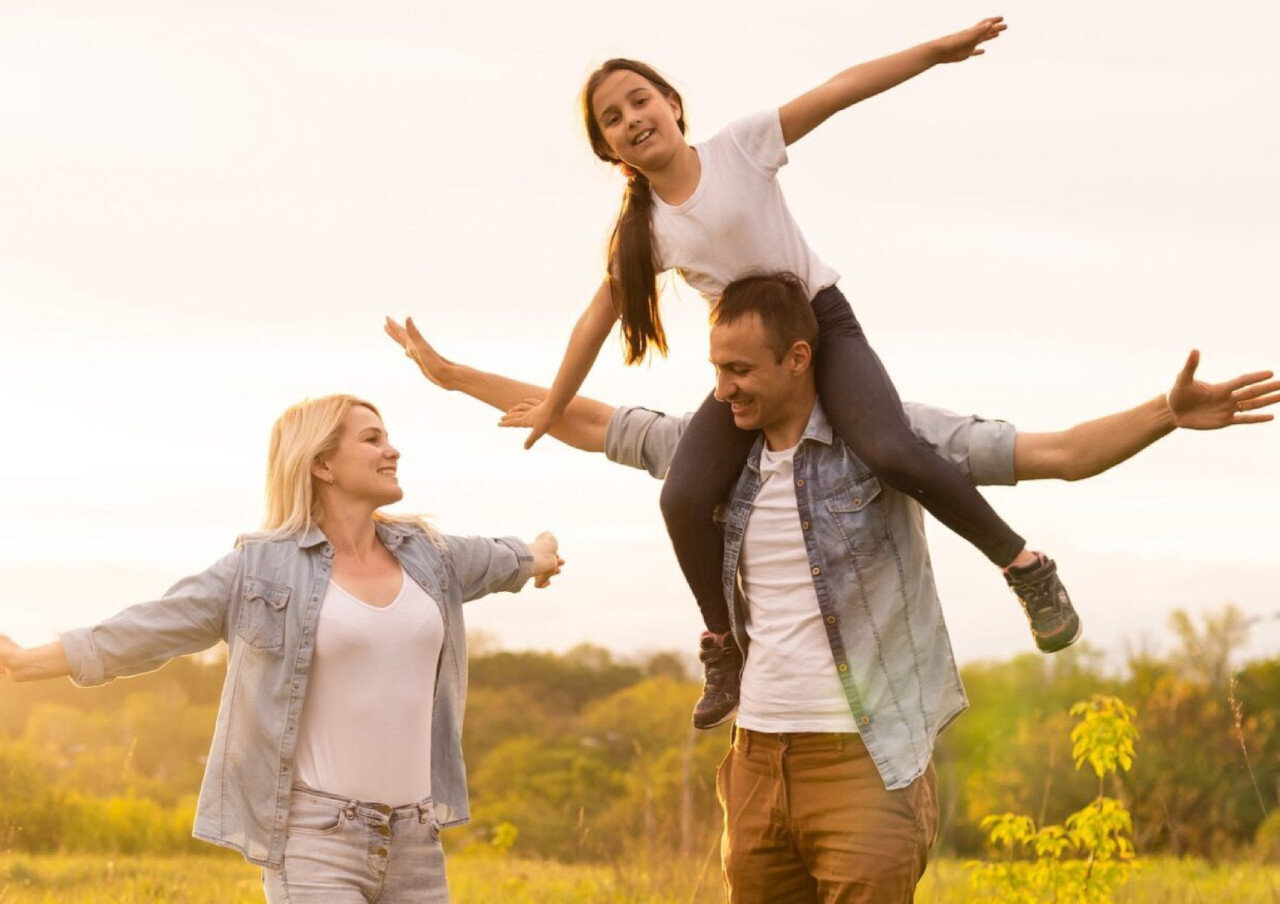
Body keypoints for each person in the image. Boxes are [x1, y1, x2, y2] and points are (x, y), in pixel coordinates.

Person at [387, 275, 1277, 902]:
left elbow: (1058, 453)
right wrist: (457, 377)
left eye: (740, 371)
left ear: (799, 358)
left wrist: (1166, 413)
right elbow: (585, 418)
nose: (722, 390)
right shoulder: (712, 452)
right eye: (715, 369)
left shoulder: (889, 438)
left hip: (866, 761)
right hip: (757, 761)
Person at [502, 19, 1082, 729]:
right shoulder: (644, 230)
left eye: (639, 100)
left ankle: (1025, 566)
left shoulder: (742, 147)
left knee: (891, 450)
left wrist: (934, 53)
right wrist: (552, 405)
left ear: (673, 105)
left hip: (823, 329)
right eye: (612, 119)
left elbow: (838, 91)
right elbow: (595, 320)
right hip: (753, 368)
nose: (632, 119)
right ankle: (725, 644)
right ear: (609, 148)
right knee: (682, 497)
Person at [0, 394, 563, 904]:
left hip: (416, 841)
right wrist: (27, 663)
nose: (392, 450)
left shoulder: (432, 556)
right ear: (321, 465)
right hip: (316, 842)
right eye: (372, 439)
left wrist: (542, 553)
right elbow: (151, 627)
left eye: (387, 438)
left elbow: (513, 557)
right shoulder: (260, 568)